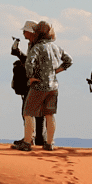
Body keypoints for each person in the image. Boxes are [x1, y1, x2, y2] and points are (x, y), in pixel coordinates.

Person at [13, 20, 68, 152]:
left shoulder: (37, 47)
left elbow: (29, 63)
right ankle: (49, 143)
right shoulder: (55, 47)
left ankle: (27, 142)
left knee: (28, 112)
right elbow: (69, 60)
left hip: (39, 85)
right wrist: (56, 71)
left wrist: (31, 77)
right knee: (50, 114)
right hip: (53, 85)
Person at [10, 21, 47, 147]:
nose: (23, 33)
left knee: (30, 112)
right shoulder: (34, 44)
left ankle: (33, 139)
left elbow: (33, 63)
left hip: (35, 82)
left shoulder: (36, 45)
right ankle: (33, 138)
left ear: (31, 32)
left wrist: (19, 54)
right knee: (33, 112)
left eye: (25, 31)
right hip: (35, 82)